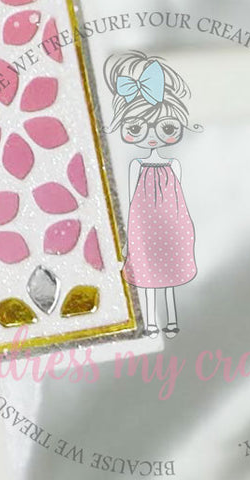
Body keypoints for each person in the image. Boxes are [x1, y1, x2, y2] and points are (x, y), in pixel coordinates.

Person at [103, 51, 201, 338]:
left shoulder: (173, 165)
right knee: (145, 278)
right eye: (136, 128)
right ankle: (151, 323)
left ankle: (170, 320)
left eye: (166, 127)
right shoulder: (135, 166)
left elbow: (180, 206)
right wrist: (128, 238)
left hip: (171, 229)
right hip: (143, 228)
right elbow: (127, 205)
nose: (152, 135)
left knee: (169, 278)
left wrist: (185, 232)